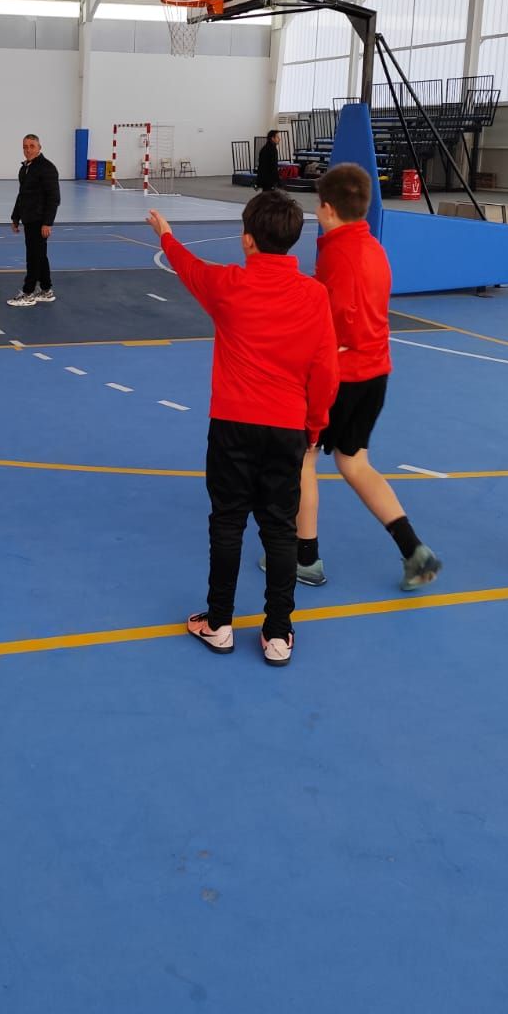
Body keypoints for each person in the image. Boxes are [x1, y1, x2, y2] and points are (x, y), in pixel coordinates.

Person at [149, 190, 339, 667]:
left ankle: (219, 623)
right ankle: (278, 632)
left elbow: (188, 269)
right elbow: (325, 372)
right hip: (286, 429)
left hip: (232, 426)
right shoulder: (315, 296)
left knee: (227, 522)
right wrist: (314, 427)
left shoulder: (228, 285)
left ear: (248, 240)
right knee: (279, 529)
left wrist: (166, 236)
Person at [294, 163, 441, 591]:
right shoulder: (373, 247)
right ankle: (413, 548)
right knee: (354, 461)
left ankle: (306, 557)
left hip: (341, 377)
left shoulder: (339, 254)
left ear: (326, 208)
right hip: (376, 373)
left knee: (304, 459)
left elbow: (334, 321)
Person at [8, 133, 60, 306]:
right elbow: (22, 195)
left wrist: (47, 222)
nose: (28, 149)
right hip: (28, 219)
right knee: (39, 255)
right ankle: (46, 290)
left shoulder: (47, 168)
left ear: (39, 147)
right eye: (25, 146)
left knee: (33, 256)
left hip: (39, 220)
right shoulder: (25, 168)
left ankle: (28, 293)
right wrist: (16, 217)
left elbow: (54, 198)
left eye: (32, 146)